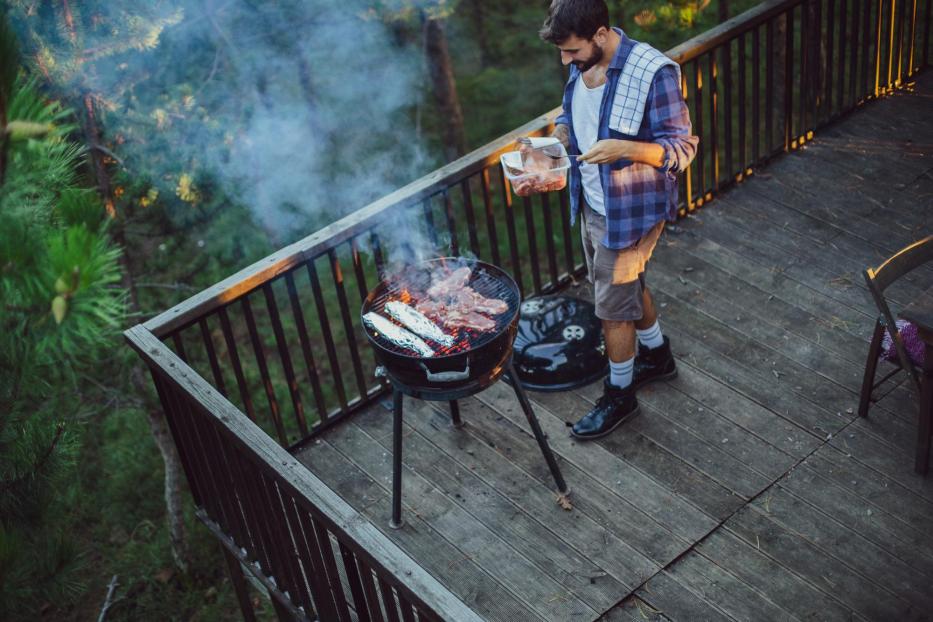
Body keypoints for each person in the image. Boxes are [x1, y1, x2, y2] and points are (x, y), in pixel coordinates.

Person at [538, 0, 698, 440]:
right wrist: (557, 142)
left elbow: (682, 150)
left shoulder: (654, 72)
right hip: (592, 204)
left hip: (631, 212)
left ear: (601, 34)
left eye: (572, 52)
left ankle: (620, 395)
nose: (566, 61)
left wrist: (624, 149)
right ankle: (657, 355)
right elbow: (572, 115)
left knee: (611, 310)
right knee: (623, 287)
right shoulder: (582, 59)